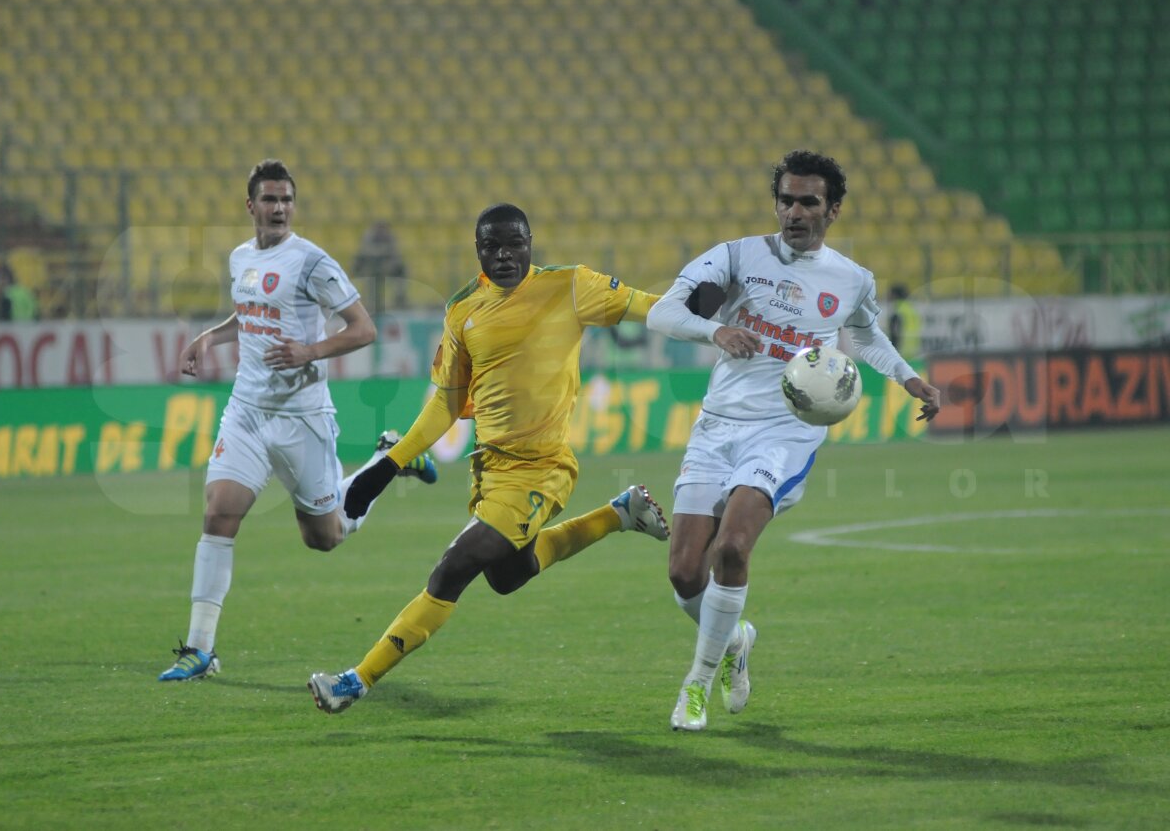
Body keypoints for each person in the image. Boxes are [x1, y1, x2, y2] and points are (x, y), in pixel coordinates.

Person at [307, 203, 671, 714]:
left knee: (453, 568)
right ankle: (619, 513)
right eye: (491, 246)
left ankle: (356, 680)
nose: (503, 255)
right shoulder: (463, 309)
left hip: (543, 469)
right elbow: (447, 403)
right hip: (492, 470)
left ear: (530, 242)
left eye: (514, 244)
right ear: (477, 250)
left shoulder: (571, 286)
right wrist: (388, 468)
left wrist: (711, 311)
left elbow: (650, 305)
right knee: (506, 576)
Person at [646, 149, 941, 731]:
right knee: (684, 573)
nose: (794, 212)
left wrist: (908, 377)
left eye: (808, 202)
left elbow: (866, 334)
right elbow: (661, 312)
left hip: (786, 429)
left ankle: (696, 687)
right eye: (786, 200)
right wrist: (717, 328)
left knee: (732, 549)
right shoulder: (736, 256)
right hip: (718, 424)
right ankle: (735, 640)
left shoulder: (852, 279)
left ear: (832, 210)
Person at [159, 159, 437, 682]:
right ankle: (198, 649)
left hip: (301, 417)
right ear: (251, 206)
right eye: (269, 199)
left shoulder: (312, 262)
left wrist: (310, 349)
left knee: (325, 537)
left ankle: (386, 460)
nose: (279, 207)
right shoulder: (240, 257)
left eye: (286, 199)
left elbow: (363, 329)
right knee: (219, 513)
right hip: (247, 411)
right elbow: (250, 313)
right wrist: (210, 337)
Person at [353, 219, 408, 311]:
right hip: (370, 265)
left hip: (387, 265)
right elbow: (365, 251)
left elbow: (394, 253)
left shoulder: (390, 237)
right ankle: (362, 300)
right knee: (367, 274)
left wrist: (387, 264)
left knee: (401, 270)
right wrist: (381, 251)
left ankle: (399, 298)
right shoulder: (369, 236)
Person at [887, 282, 922, 359]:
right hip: (914, 352)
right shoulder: (911, 309)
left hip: (901, 352)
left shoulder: (897, 310)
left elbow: (894, 334)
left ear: (894, 295)